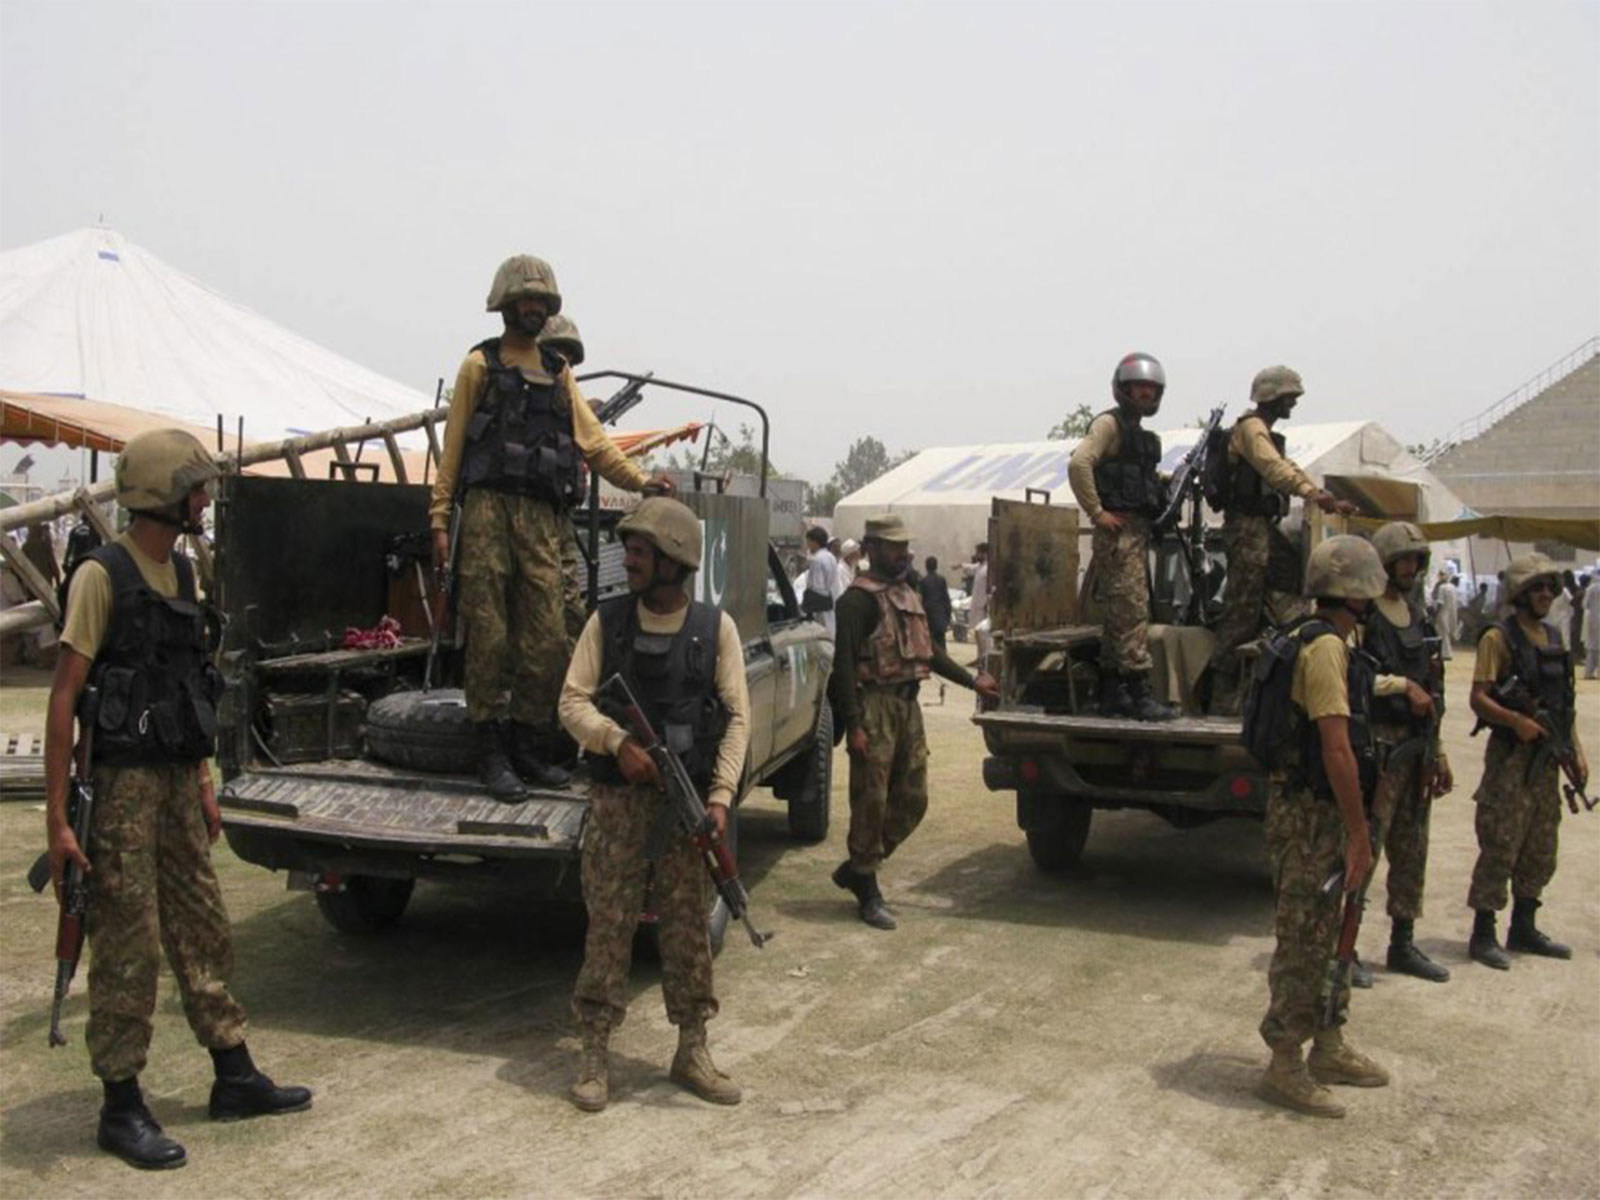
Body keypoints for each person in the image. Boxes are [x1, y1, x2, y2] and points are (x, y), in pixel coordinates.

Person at [46, 429, 310, 1170]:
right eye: (195, 487)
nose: (204, 499)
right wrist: (59, 820)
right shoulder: (103, 576)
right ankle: (121, 1103)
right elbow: (64, 698)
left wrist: (202, 783)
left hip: (174, 780)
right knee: (129, 945)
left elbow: (188, 689)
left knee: (203, 925)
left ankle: (232, 1070)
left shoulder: (185, 574)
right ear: (164, 492)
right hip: (122, 786)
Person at [430, 255, 672, 801]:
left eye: (543, 302)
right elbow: (452, 452)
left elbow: (594, 444)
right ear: (507, 304)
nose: (535, 309)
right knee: (489, 637)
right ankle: (491, 750)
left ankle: (524, 744)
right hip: (489, 510)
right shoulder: (479, 366)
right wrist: (440, 521)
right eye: (527, 300)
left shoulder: (560, 374)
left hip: (541, 519)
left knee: (545, 640)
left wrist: (641, 482)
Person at [558, 496, 749, 1112]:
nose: (628, 558)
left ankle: (691, 1048)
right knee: (609, 926)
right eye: (630, 547)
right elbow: (572, 702)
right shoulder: (606, 622)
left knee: (690, 925)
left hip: (684, 803)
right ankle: (594, 1052)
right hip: (618, 804)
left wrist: (719, 798)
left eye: (641, 550)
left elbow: (738, 717)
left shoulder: (715, 629)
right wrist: (616, 744)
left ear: (674, 561)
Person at [1255, 534, 1390, 1119]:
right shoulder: (1324, 649)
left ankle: (1327, 1044)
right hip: (1311, 816)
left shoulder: (1315, 640)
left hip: (1313, 811)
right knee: (1304, 936)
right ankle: (1285, 1061)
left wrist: (1401, 687)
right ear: (1357, 593)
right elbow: (1336, 748)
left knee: (1336, 931)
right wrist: (1359, 833)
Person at [827, 514, 999, 930]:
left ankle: (859, 866)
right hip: (874, 707)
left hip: (908, 707)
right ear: (870, 550)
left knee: (913, 797)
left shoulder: (908, 592)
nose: (902, 553)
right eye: (892, 547)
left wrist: (972, 680)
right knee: (871, 799)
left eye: (904, 546)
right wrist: (854, 726)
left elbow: (930, 653)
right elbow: (843, 669)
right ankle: (867, 887)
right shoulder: (857, 601)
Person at [1204, 366, 1357, 715]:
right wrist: (1312, 493)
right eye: (1290, 397)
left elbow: (1290, 467)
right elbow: (1273, 468)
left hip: (1261, 526)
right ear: (1273, 397)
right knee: (1241, 610)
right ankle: (1221, 693)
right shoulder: (1251, 429)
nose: (1293, 404)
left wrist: (1320, 495)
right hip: (1247, 527)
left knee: (1281, 597)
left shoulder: (1263, 432)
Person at [1465, 553, 1588, 969]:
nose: (1546, 594)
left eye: (1550, 588)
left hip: (1546, 760)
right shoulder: (1498, 638)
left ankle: (1524, 925)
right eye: (1537, 588)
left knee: (1541, 843)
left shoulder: (1554, 640)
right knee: (1500, 841)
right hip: (1510, 759)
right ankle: (1484, 932)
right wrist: (1515, 720)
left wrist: (1576, 752)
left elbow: (1563, 706)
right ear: (1519, 593)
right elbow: (1478, 697)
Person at [1363, 523, 1453, 983]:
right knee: (1364, 848)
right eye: (1403, 560)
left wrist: (1437, 753)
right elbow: (1353, 678)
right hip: (1379, 748)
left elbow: (1434, 690)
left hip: (1416, 748)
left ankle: (1403, 942)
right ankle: (1345, 946)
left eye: (1416, 561)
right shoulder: (1364, 617)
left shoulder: (1417, 615)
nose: (1411, 569)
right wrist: (1402, 685)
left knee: (1412, 849)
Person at [1068, 352, 1178, 721]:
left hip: (1134, 532)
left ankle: (1114, 693)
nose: (1146, 395)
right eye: (1139, 389)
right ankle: (1140, 693)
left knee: (1119, 617)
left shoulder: (1135, 432)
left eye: (1152, 390)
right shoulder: (1109, 425)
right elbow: (1079, 463)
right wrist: (1097, 513)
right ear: (1122, 389)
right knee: (1132, 612)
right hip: (1119, 535)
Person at [799, 526, 841, 634]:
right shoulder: (830, 557)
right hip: (832, 605)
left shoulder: (818, 560)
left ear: (815, 542)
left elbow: (817, 588)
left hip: (821, 611)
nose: (808, 546)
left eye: (808, 542)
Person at [918, 556, 953, 650]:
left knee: (930, 641)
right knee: (941, 641)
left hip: (928, 614)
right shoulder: (941, 580)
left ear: (926, 567)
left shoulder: (923, 581)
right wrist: (948, 614)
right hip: (940, 613)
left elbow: (921, 599)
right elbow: (946, 598)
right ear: (936, 566)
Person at [968, 541, 990, 657]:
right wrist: (960, 565)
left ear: (985, 554)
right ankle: (980, 658)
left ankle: (984, 659)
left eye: (978, 553)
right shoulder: (980, 567)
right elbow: (971, 567)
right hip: (977, 606)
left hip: (983, 607)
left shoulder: (988, 569)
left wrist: (987, 603)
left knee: (983, 636)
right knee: (977, 634)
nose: (976, 555)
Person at [1582, 573, 1599, 680]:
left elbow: (1584, 605)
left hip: (1592, 619)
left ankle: (1589, 672)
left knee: (1591, 647)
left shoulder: (1591, 588)